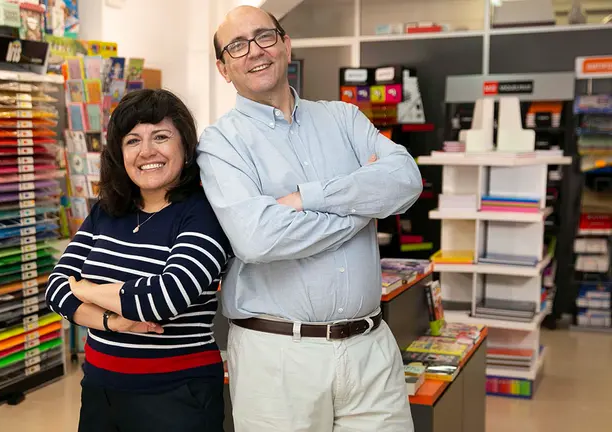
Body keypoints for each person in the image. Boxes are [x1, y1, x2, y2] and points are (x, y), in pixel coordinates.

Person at [197, 6, 424, 432]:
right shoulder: (220, 143)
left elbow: (406, 180)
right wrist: (363, 207)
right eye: (237, 46)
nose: (254, 52)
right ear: (223, 68)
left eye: (264, 36)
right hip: (278, 360)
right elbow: (258, 239)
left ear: (285, 43)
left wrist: (307, 197)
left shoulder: (343, 117)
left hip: (370, 352)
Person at [47, 89, 231, 432]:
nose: (147, 151)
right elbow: (56, 291)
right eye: (133, 141)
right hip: (100, 389)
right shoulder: (106, 211)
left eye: (161, 137)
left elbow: (161, 300)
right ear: (120, 153)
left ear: (186, 146)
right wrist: (111, 321)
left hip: (179, 395)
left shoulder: (204, 213)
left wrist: (84, 288)